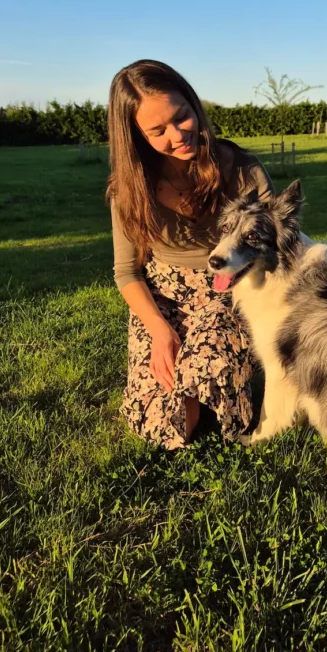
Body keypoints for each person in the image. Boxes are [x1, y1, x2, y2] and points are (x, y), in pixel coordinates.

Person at [107, 60, 273, 450]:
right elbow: (126, 271)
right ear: (136, 137)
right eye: (157, 131)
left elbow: (277, 244)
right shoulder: (129, 190)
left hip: (232, 289)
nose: (179, 134)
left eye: (182, 117)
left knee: (201, 384)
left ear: (193, 105)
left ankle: (222, 383)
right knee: (169, 422)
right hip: (165, 298)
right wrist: (160, 331)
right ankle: (196, 385)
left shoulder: (243, 170)